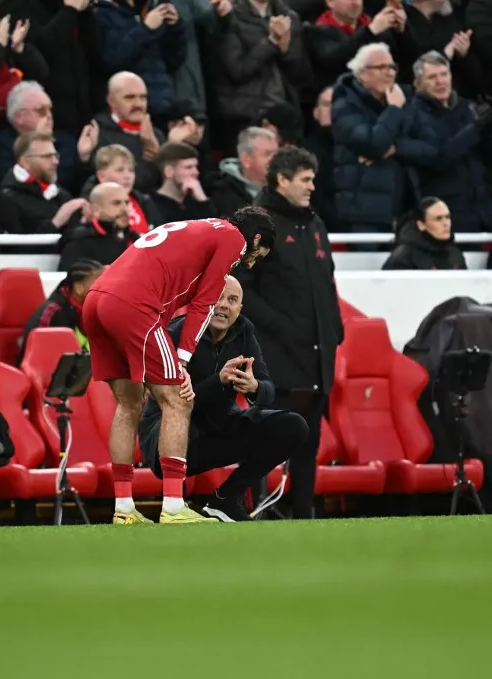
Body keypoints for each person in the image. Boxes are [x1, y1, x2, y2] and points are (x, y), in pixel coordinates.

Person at [82, 207, 276, 524]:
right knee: (178, 399)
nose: (249, 263)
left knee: (128, 404)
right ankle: (173, 506)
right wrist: (182, 360)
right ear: (254, 238)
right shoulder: (232, 238)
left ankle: (124, 509)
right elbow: (204, 303)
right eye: (255, 255)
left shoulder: (190, 225)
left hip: (97, 299)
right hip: (134, 305)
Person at [139, 276, 307, 522]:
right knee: (183, 425)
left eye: (232, 300)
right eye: (218, 297)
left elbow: (268, 390)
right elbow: (175, 403)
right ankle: (174, 507)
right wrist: (218, 381)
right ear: (203, 302)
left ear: (239, 309)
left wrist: (254, 387)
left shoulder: (244, 331)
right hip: (167, 440)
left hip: (217, 431)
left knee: (293, 426)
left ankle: (225, 499)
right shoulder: (176, 333)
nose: (224, 305)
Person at [237, 146, 342, 519]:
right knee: (265, 439)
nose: (312, 186)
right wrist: (277, 326)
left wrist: (335, 331)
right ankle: (252, 513)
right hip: (274, 358)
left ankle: (304, 513)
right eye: (305, 179)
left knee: (308, 442)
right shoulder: (258, 224)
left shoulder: (314, 224)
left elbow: (327, 283)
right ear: (281, 180)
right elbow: (239, 287)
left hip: (315, 356)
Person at [17, 258, 104, 364]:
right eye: (98, 283)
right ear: (78, 288)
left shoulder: (91, 308)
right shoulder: (53, 313)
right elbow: (42, 363)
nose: (104, 288)